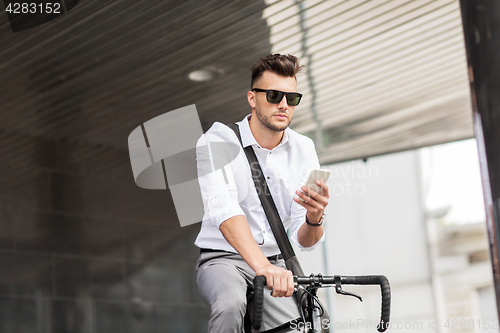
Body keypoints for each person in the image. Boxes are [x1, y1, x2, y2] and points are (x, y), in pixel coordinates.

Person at [194, 53, 329, 332]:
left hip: (277, 264)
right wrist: (261, 267)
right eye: (273, 95)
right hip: (223, 259)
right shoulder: (217, 140)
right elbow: (224, 207)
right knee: (230, 304)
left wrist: (314, 218)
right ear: (252, 98)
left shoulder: (304, 149)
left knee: (309, 324)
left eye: (291, 98)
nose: (283, 105)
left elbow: (305, 242)